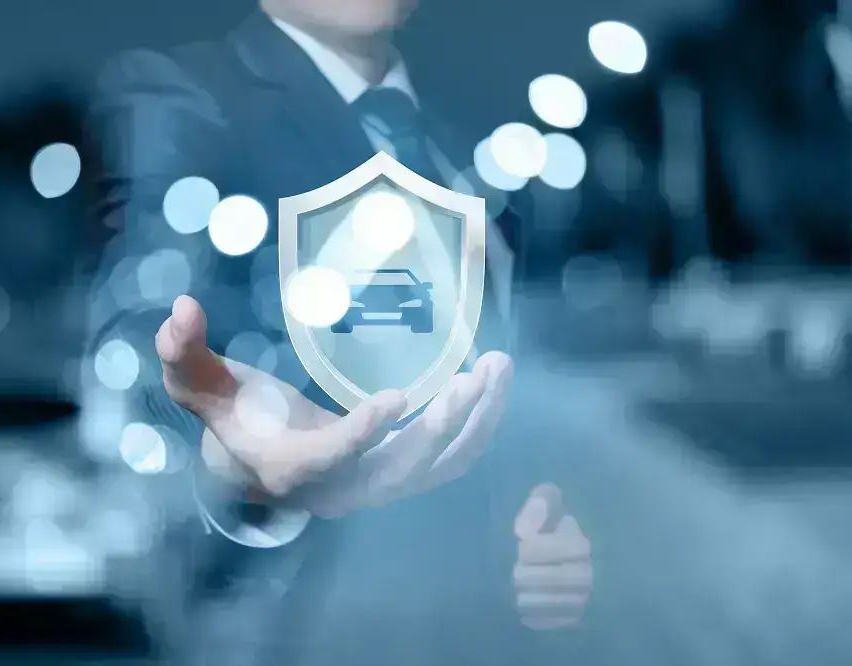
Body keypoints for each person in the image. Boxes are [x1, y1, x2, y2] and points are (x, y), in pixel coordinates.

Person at [87, 1, 592, 662]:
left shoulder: (460, 128)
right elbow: (142, 307)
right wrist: (220, 439)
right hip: (310, 594)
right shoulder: (180, 97)